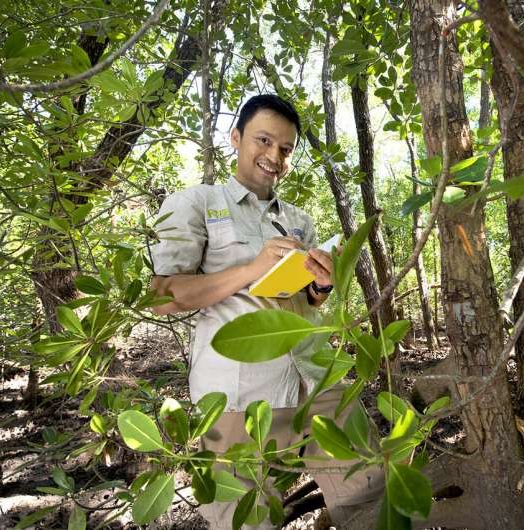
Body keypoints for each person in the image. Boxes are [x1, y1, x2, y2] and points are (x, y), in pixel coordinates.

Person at [149, 94, 380, 529]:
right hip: (239, 399)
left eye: (286, 148)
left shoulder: (298, 219)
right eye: (264, 140)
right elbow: (163, 296)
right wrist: (252, 268)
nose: (274, 156)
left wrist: (321, 287)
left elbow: (306, 301)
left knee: (370, 494)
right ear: (236, 138)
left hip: (316, 380)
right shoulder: (196, 203)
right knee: (246, 518)